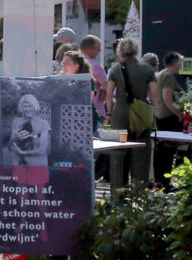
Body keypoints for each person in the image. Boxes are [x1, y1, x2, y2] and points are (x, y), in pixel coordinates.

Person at [104, 37, 158, 188]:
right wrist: (152, 110)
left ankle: (118, 191)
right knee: (141, 152)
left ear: (120, 50)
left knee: (118, 154)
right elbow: (154, 94)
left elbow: (109, 94)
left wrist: (109, 113)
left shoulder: (115, 69)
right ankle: (139, 190)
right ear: (136, 50)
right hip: (140, 115)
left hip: (120, 113)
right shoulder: (147, 69)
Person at [153, 52, 186, 184]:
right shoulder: (168, 76)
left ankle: (159, 178)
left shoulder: (160, 74)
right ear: (176, 63)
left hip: (159, 114)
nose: (181, 65)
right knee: (168, 149)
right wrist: (179, 114)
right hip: (168, 117)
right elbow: (168, 99)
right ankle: (165, 180)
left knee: (161, 149)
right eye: (181, 63)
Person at [7, 93, 51, 185]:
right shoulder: (16, 122)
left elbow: (43, 150)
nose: (27, 109)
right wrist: (15, 138)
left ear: (35, 106)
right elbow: (9, 146)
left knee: (39, 195)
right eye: (25, 106)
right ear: (21, 108)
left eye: (30, 106)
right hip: (20, 163)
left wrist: (24, 153)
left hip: (37, 164)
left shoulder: (43, 123)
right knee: (22, 194)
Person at [80, 35, 109, 124]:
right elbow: (108, 88)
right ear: (90, 49)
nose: (99, 52)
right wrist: (104, 91)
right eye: (98, 49)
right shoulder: (96, 66)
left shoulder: (72, 63)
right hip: (95, 110)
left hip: (76, 110)